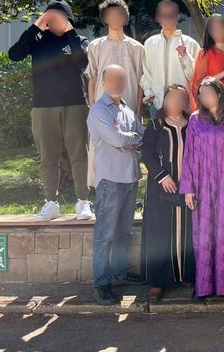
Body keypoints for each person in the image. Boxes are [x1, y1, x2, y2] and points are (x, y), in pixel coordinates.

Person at [8, 0, 91, 221]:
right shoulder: (37, 39)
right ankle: (50, 202)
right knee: (48, 157)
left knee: (79, 154)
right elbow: (14, 54)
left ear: (69, 18)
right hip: (43, 106)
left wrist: (70, 32)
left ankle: (83, 201)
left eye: (59, 16)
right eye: (49, 16)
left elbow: (83, 64)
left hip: (75, 104)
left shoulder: (78, 40)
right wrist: (35, 26)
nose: (53, 20)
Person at [87, 65, 144, 305]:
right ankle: (102, 282)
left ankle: (120, 270)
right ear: (103, 82)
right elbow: (116, 138)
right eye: (113, 79)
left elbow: (142, 135)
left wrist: (127, 138)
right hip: (110, 180)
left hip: (130, 178)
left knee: (124, 232)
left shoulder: (126, 109)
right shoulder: (98, 110)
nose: (118, 83)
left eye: (121, 79)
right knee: (105, 234)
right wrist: (127, 138)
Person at [179, 77, 224, 298]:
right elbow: (188, 155)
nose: (205, 98)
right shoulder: (195, 120)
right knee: (203, 234)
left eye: (209, 93)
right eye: (201, 95)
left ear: (219, 94)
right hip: (202, 183)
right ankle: (204, 286)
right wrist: (188, 188)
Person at [140, 85, 195, 302]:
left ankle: (185, 274)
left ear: (185, 102)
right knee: (160, 233)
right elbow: (147, 153)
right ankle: (158, 281)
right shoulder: (155, 125)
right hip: (161, 188)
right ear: (164, 101)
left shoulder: (193, 124)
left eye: (180, 98)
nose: (175, 102)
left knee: (186, 231)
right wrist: (162, 176)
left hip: (187, 187)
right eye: (171, 98)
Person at [141, 0, 201, 118]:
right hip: (157, 103)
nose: (167, 18)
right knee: (158, 136)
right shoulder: (150, 43)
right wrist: (149, 94)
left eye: (171, 15)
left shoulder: (190, 43)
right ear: (158, 17)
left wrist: (185, 56)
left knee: (180, 136)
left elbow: (194, 76)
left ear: (178, 16)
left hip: (182, 104)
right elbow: (146, 72)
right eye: (163, 15)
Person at [86, 0, 144, 113]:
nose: (115, 18)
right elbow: (92, 79)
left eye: (119, 14)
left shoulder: (137, 48)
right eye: (110, 15)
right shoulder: (95, 46)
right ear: (104, 18)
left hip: (129, 106)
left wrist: (139, 113)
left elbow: (140, 82)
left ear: (125, 18)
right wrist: (92, 109)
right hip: (101, 109)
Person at [190, 14, 224, 111]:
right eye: (213, 29)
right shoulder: (205, 53)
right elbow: (199, 84)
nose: (218, 32)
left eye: (221, 28)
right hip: (213, 106)